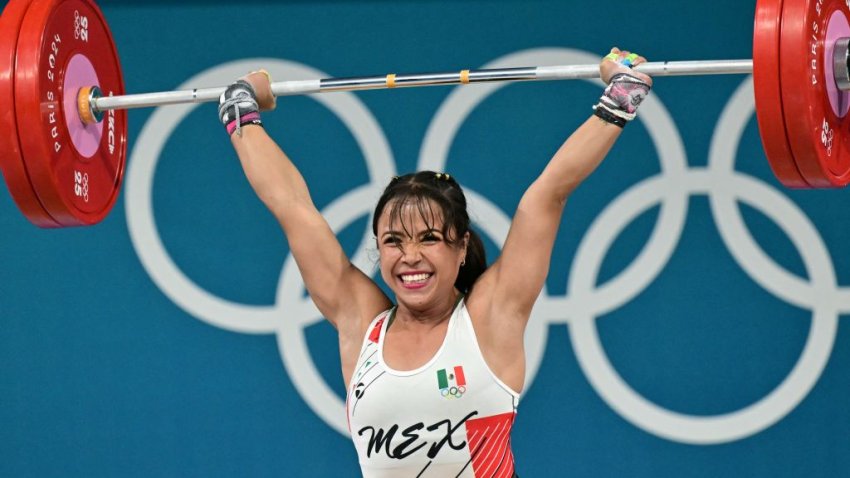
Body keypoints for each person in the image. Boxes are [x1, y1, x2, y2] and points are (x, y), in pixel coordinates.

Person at [217, 48, 651, 477]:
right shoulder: (359, 322)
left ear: (461, 247)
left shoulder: (490, 316)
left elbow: (548, 195)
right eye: (393, 241)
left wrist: (619, 101)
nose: (410, 258)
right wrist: (240, 107)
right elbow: (292, 207)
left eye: (429, 239)